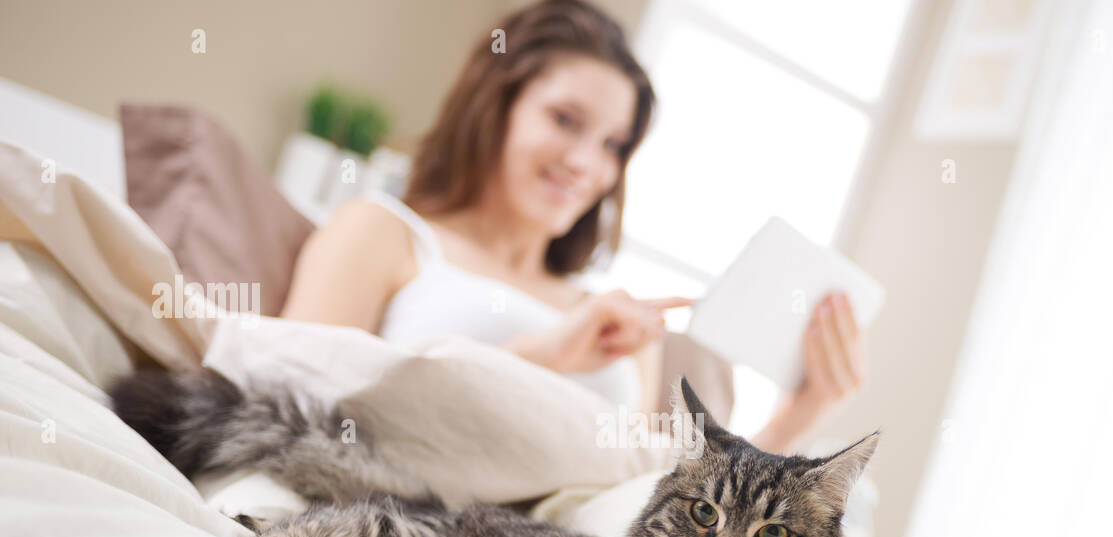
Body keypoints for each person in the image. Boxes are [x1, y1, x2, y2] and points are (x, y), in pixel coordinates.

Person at [279, 0, 863, 454]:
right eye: (564, 119)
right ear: (495, 107)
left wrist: (798, 415)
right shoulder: (381, 233)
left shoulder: (615, 324)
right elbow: (283, 409)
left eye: (612, 144)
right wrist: (535, 360)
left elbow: (642, 517)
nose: (586, 165)